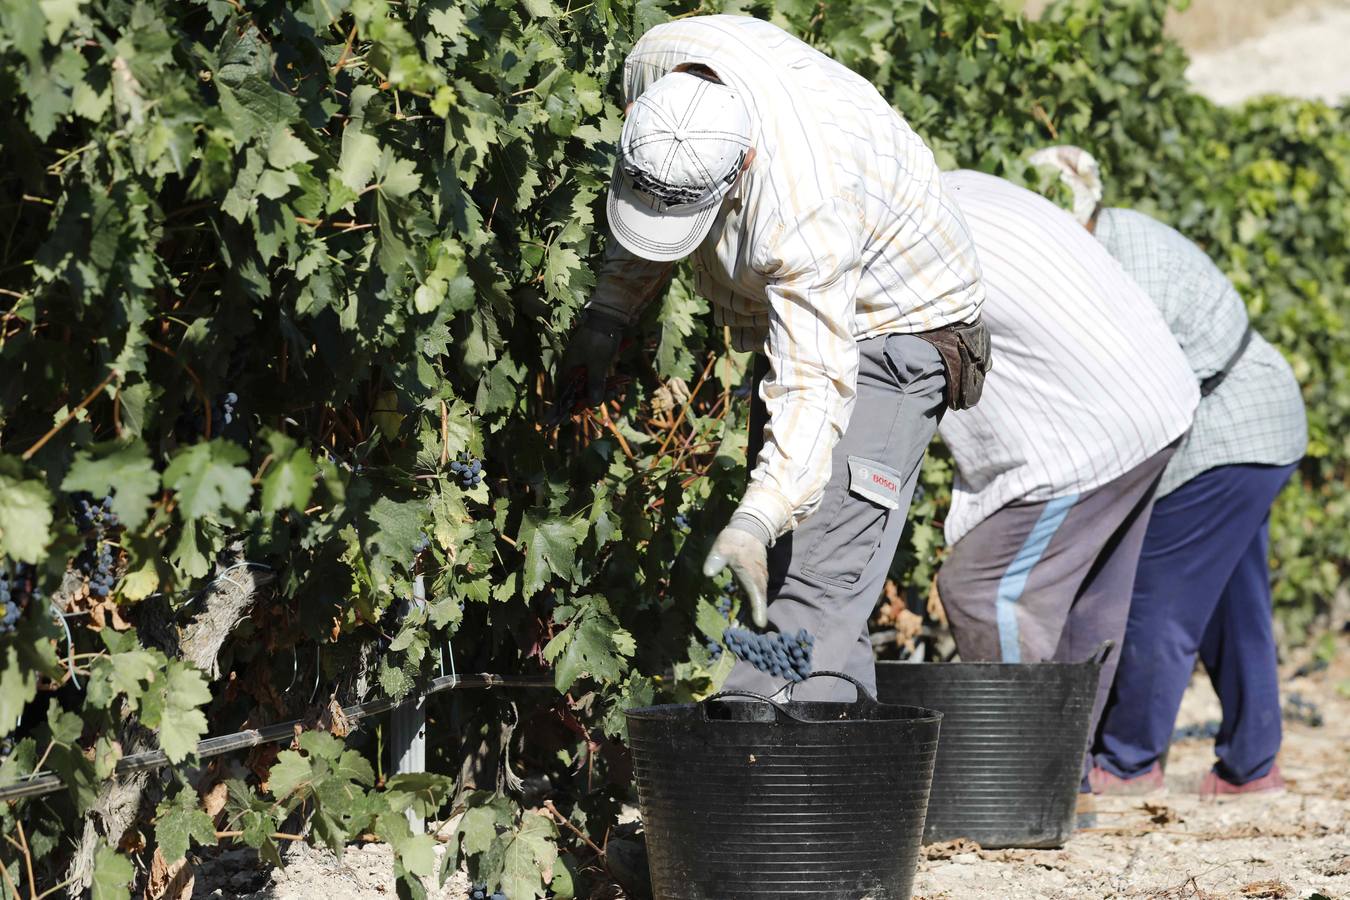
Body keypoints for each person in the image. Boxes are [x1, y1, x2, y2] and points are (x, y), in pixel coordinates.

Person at [551, 15, 989, 701]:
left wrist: (758, 517)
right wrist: (608, 314)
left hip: (896, 327)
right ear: (635, 111)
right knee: (803, 573)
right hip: (808, 314)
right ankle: (851, 795)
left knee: (808, 586)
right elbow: (657, 188)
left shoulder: (803, 211)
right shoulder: (654, 65)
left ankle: (755, 756)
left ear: (743, 166)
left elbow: (816, 387)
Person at [1032, 146, 1308, 797]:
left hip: (1228, 429)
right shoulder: (1114, 236)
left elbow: (1131, 390)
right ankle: (1251, 763)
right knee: (1234, 606)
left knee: (1158, 595)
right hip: (1259, 420)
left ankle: (1129, 762)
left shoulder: (1120, 262)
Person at [935, 170, 1199, 780]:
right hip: (1154, 396)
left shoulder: (906, 236)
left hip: (1086, 433)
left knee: (982, 588)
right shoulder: (968, 186)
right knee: (1092, 598)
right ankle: (1065, 781)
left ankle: (1018, 783)